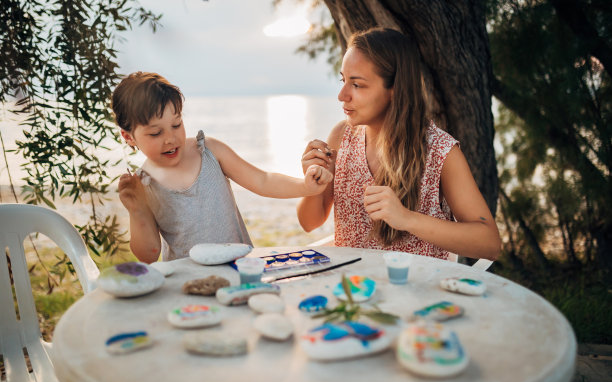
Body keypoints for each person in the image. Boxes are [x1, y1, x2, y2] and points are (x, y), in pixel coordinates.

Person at [297, 28, 501, 260]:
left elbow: (490, 244)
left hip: (415, 291)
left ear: (394, 90)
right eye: (343, 80)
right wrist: (311, 185)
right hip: (353, 290)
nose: (342, 95)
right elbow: (309, 222)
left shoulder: (439, 151)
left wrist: (406, 218)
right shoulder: (341, 137)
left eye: (357, 85)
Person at [112, 72, 333, 263]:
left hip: (239, 269)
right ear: (128, 136)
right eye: (155, 133)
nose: (170, 138)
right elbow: (149, 255)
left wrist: (305, 187)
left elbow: (262, 180)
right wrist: (137, 210)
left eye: (176, 124)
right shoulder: (144, 185)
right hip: (187, 285)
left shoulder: (209, 151)